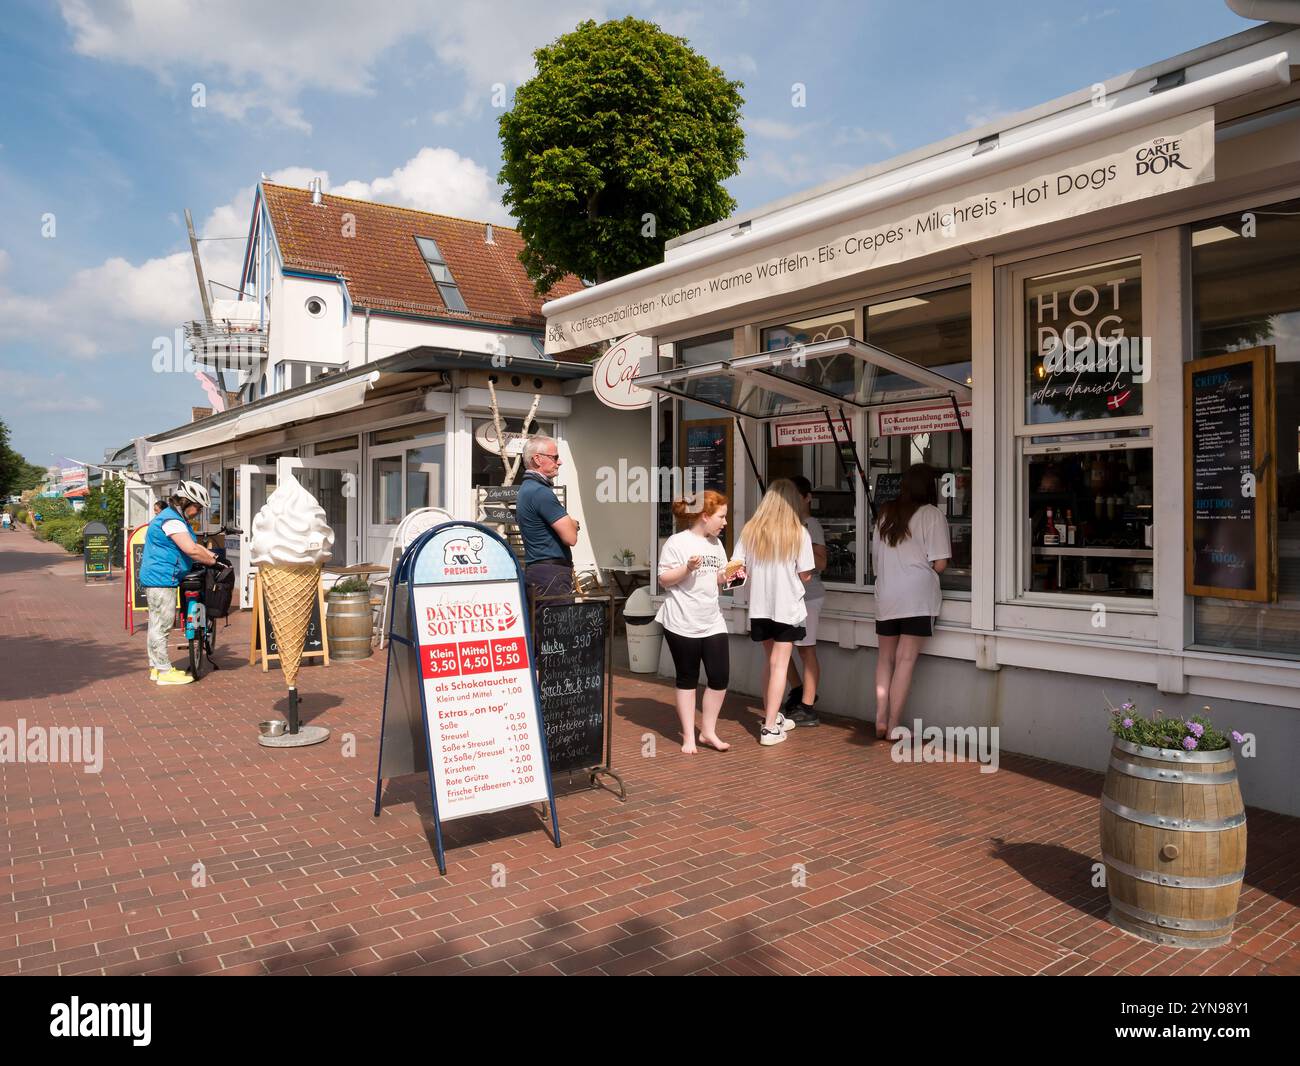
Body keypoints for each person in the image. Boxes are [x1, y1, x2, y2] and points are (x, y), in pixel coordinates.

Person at [731, 479, 815, 747]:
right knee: (780, 665)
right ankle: (768, 728)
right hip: (786, 607)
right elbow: (806, 574)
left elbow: (735, 567)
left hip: (759, 606)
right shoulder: (798, 533)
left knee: (770, 663)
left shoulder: (750, 531)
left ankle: (773, 715)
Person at [871, 464, 951, 739]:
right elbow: (939, 563)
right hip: (917, 596)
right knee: (905, 661)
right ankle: (894, 726)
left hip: (886, 594)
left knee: (885, 659)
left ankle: (880, 718)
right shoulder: (932, 514)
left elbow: (876, 559)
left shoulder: (885, 513)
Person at [656, 491, 734, 754]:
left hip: (712, 620)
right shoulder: (677, 543)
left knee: (720, 676)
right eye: (721, 516)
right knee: (687, 678)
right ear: (705, 516)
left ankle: (708, 731)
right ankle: (689, 735)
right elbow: (664, 580)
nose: (725, 522)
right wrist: (687, 569)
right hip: (681, 620)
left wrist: (734, 574)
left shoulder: (716, 544)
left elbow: (719, 577)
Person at [139, 480, 218, 685]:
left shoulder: (174, 518)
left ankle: (155, 667)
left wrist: (210, 555)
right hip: (161, 578)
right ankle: (165, 672)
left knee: (156, 623)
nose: (198, 512)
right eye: (198, 507)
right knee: (163, 624)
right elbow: (190, 549)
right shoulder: (172, 521)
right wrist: (212, 562)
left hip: (160, 576)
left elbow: (193, 546)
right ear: (185, 502)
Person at [782, 475, 828, 726]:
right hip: (785, 597)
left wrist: (803, 547)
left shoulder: (810, 524)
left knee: (805, 648)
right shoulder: (780, 525)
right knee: (779, 646)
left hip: (808, 596)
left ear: (807, 498)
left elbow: (821, 562)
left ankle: (808, 706)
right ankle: (798, 689)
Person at [516, 435, 579, 600]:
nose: (559, 462)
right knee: (557, 624)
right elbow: (571, 537)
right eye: (555, 457)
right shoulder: (540, 492)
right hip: (551, 575)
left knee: (541, 624)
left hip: (539, 572)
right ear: (537, 459)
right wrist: (574, 524)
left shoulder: (527, 489)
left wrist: (570, 524)